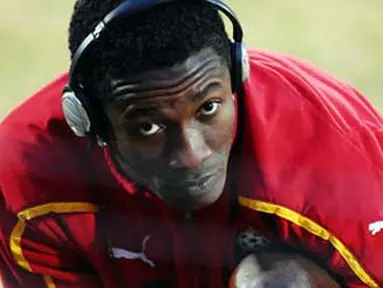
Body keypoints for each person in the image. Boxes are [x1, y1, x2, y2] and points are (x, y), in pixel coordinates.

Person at [0, 0, 382, 287]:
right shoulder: (28, 177)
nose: (191, 155)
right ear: (90, 122)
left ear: (236, 78)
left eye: (209, 108)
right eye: (148, 127)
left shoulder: (334, 161)